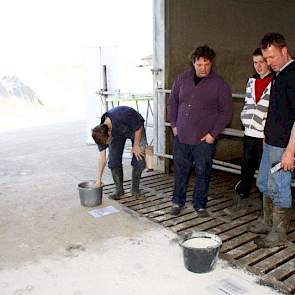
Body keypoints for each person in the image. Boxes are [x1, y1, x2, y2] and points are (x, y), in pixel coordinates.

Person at [167, 45, 232, 217]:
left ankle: (200, 204)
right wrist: (174, 125)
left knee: (203, 171)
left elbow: (226, 112)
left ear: (211, 64)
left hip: (204, 139)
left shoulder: (219, 84)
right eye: (199, 64)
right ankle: (177, 201)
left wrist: (213, 134)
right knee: (180, 170)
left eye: (207, 64)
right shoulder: (181, 79)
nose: (203, 68)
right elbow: (172, 102)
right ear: (193, 63)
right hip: (181, 136)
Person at [248, 33, 295, 248]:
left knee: (279, 187)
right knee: (263, 182)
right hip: (271, 141)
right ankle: (267, 221)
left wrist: (290, 152)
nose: (269, 63)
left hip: (285, 144)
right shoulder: (278, 73)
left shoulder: (293, 75)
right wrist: (267, 134)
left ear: (284, 51)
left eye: (272, 57)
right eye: (266, 58)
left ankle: (279, 232)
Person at [234, 48, 272, 207]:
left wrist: (268, 131)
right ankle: (244, 190)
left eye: (261, 62)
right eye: (255, 63)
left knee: (265, 166)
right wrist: (244, 117)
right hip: (249, 130)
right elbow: (248, 103)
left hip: (265, 134)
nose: (258, 66)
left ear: (267, 62)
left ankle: (265, 197)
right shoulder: (251, 80)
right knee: (247, 162)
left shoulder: (274, 81)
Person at [92, 106, 147, 199]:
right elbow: (102, 158)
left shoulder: (122, 116)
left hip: (135, 129)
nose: (107, 144)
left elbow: (139, 126)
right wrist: (98, 180)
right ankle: (119, 190)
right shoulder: (100, 133)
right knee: (113, 160)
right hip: (117, 135)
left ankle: (135, 190)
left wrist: (136, 145)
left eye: (107, 141)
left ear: (109, 133)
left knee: (139, 158)